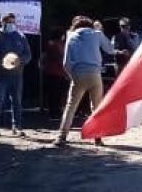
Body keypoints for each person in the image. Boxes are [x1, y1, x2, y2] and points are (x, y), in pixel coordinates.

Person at [54, 16, 114, 147]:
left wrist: (72, 76)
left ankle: (61, 136)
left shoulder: (71, 36)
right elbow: (110, 49)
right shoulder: (96, 34)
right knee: (96, 107)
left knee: (71, 107)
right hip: (95, 74)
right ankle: (98, 137)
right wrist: (101, 31)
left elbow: (66, 63)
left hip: (78, 74)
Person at [0, 13, 32, 137]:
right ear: (3, 22)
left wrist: (20, 60)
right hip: (0, 75)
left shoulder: (20, 36)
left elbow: (28, 54)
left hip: (17, 75)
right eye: (8, 22)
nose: (11, 24)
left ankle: (17, 127)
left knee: (17, 101)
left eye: (13, 22)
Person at [42, 28, 69, 120]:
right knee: (55, 94)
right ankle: (54, 112)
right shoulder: (55, 44)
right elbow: (59, 57)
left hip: (55, 71)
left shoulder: (53, 44)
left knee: (56, 94)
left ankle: (56, 111)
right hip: (56, 72)